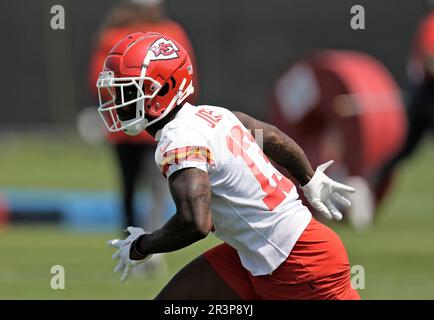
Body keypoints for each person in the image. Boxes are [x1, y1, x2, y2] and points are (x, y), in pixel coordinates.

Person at [101, 32, 359, 300]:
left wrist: (142, 246)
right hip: (258, 252)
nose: (119, 102)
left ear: (163, 89)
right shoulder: (215, 116)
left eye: (128, 90)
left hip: (299, 262)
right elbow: (270, 137)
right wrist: (309, 179)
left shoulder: (179, 140)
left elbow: (195, 223)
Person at [88, 0, 199, 231]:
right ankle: (149, 237)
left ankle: (136, 238)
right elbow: (188, 80)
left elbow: (99, 83)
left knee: (134, 188)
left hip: (134, 124)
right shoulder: (169, 31)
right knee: (157, 187)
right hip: (155, 124)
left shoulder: (113, 34)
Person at [372, 9, 434, 198]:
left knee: (401, 149)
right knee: (400, 149)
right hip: (427, 96)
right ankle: (365, 187)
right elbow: (429, 60)